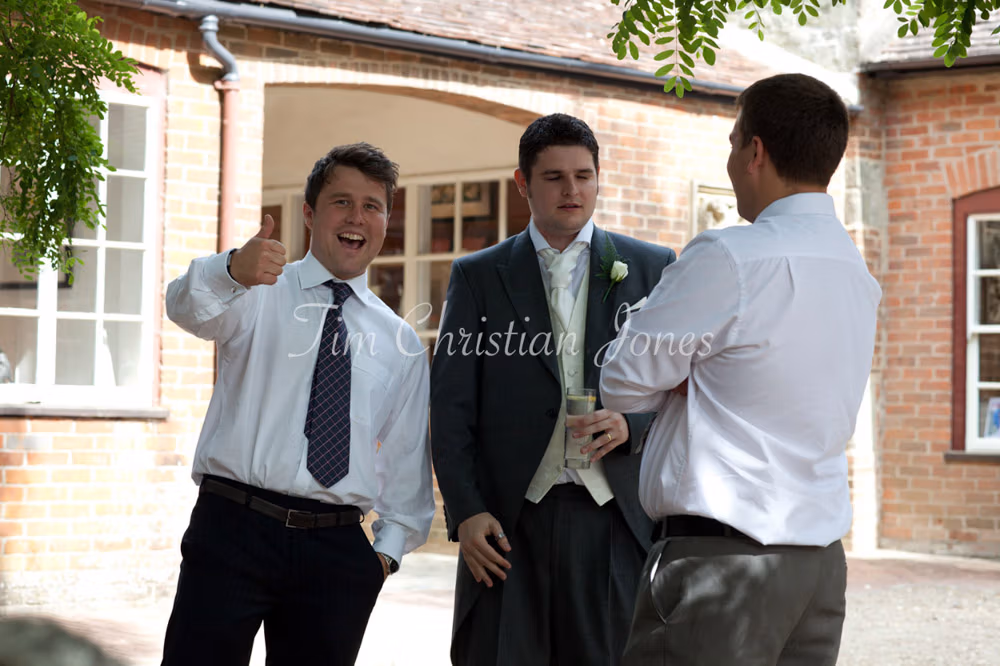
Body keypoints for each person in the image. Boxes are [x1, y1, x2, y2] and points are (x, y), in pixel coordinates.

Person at [600, 73, 882, 665]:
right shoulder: (855, 271)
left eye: (733, 143)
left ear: (755, 151)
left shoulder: (731, 255)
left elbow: (622, 380)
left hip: (720, 562)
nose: (730, 161)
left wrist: (692, 374)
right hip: (819, 565)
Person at [162, 142, 434, 666]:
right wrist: (230, 270)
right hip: (232, 530)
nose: (356, 217)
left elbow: (405, 468)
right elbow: (185, 307)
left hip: (335, 554)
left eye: (372, 206)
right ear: (309, 213)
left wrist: (382, 558)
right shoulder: (256, 289)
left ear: (386, 221)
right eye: (341, 202)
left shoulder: (399, 342)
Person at [430, 113, 676, 665]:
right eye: (555, 178)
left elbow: (682, 392)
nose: (573, 190)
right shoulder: (478, 275)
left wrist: (631, 425)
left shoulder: (652, 267)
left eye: (585, 176)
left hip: (614, 519)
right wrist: (466, 511)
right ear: (523, 183)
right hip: (510, 525)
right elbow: (450, 406)